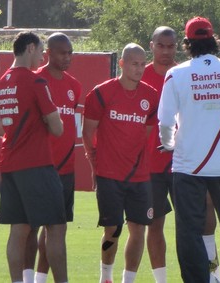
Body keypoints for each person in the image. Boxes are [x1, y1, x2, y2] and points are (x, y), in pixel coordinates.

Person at [157, 16, 220, 283]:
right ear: (214, 40)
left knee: (189, 232)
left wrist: (170, 145)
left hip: (188, 165)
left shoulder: (176, 74)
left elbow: (165, 122)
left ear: (186, 43)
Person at [82, 43, 158, 283]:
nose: (139, 68)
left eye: (142, 64)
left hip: (139, 175)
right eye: (134, 64)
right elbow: (87, 134)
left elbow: (145, 133)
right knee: (112, 230)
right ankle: (106, 276)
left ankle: (129, 280)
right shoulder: (101, 93)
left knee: (139, 229)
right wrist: (96, 165)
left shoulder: (151, 96)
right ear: (122, 64)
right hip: (109, 175)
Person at [0, 31, 68, 283]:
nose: (41, 56)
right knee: (56, 228)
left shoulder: (3, 81)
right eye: (39, 51)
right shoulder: (36, 81)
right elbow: (57, 128)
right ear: (29, 49)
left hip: (10, 164)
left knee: (18, 230)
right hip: (37, 165)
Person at [20, 32, 83, 283]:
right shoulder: (35, 80)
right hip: (38, 167)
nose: (67, 57)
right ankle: (26, 279)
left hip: (66, 168)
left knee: (56, 228)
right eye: (61, 52)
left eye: (70, 53)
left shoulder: (74, 85)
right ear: (47, 53)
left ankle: (40, 278)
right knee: (30, 228)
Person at [140, 26, 178, 283]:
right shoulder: (139, 76)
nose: (165, 51)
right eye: (160, 45)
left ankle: (205, 275)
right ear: (151, 45)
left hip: (183, 164)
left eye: (170, 46)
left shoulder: (184, 75)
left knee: (194, 225)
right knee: (154, 225)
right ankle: (160, 280)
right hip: (150, 165)